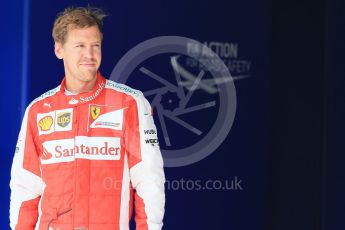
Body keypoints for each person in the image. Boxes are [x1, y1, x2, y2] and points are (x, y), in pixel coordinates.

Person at [10, 6, 165, 230]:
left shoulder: (130, 103)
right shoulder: (38, 110)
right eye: (80, 46)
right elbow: (25, 187)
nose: (90, 55)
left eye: (96, 46)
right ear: (59, 49)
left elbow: (149, 180)